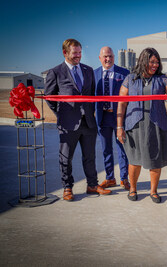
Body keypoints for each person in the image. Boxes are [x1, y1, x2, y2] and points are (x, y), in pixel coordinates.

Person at [116, 47, 167, 204]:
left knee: (155, 160)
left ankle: (153, 191)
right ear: (143, 61)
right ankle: (133, 188)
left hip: (156, 125)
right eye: (152, 62)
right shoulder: (130, 79)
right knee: (134, 160)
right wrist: (119, 127)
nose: (155, 65)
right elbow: (121, 103)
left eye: (157, 62)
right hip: (134, 125)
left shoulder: (162, 79)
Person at [45, 39, 111, 201]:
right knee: (65, 158)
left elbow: (93, 94)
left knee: (90, 157)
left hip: (88, 122)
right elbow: (49, 97)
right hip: (68, 124)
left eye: (80, 52)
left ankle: (92, 185)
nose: (78, 56)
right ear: (65, 53)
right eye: (75, 53)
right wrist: (61, 113)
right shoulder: (56, 72)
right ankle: (67, 187)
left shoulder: (88, 70)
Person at [94, 46, 130, 191]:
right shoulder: (94, 74)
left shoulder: (124, 73)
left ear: (114, 57)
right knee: (106, 149)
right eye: (105, 57)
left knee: (122, 148)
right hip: (102, 117)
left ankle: (124, 178)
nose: (108, 59)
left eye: (110, 56)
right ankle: (110, 178)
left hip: (119, 117)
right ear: (100, 58)